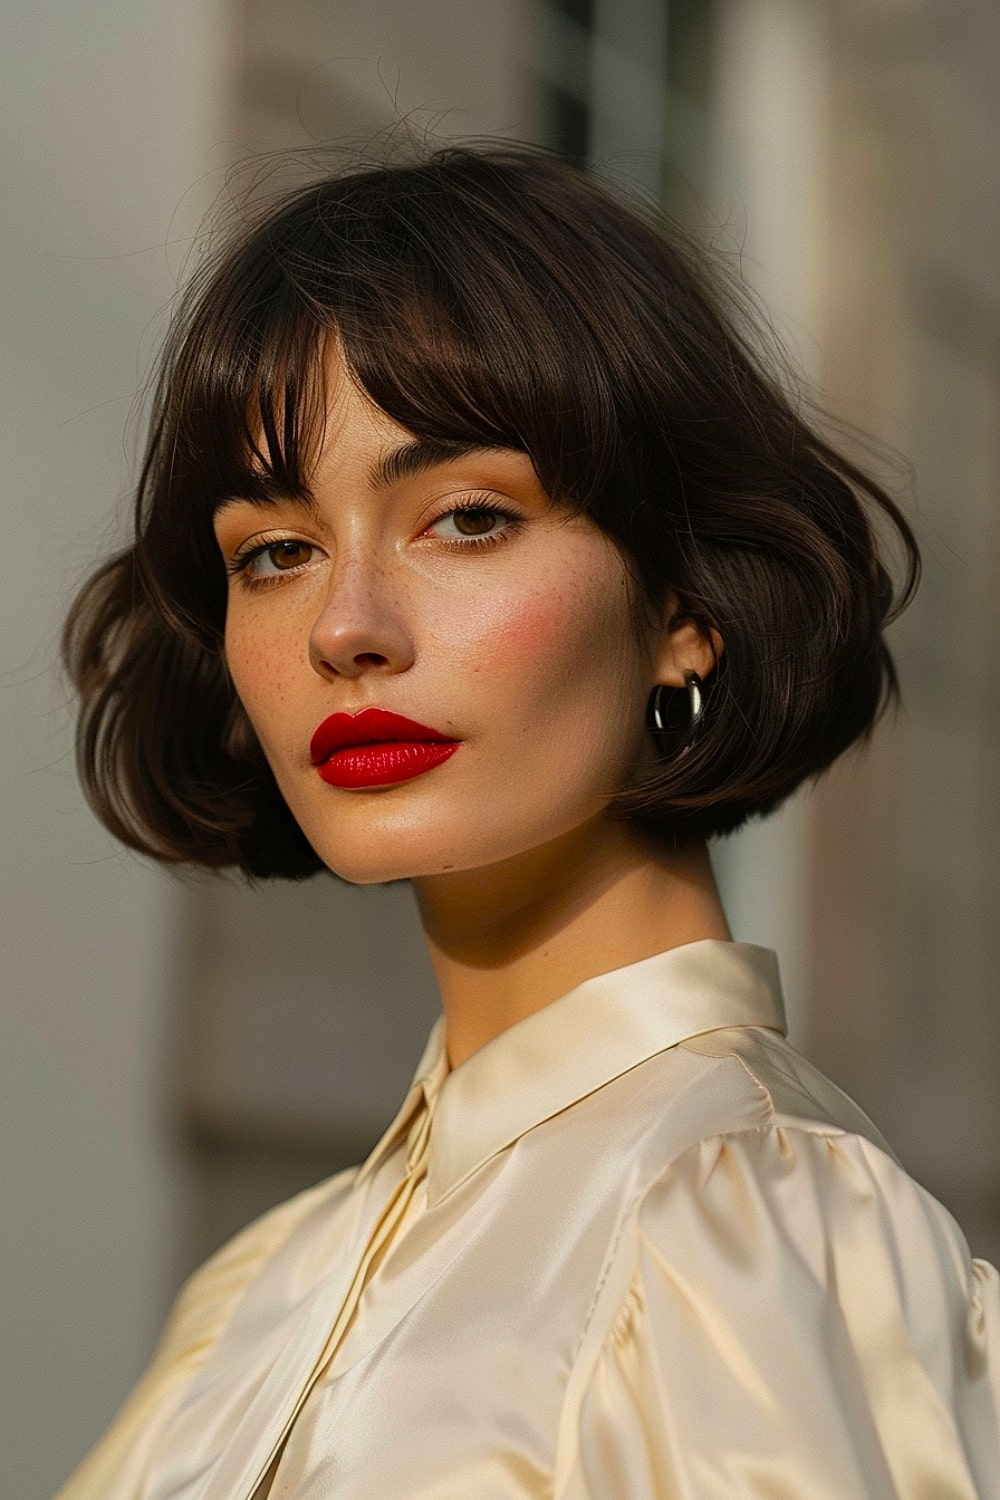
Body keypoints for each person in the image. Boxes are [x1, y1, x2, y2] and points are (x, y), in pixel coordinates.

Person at [55, 142, 999, 1499]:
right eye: (276, 550)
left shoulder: (751, 1228)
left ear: (688, 612)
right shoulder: (263, 1288)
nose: (346, 627)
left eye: (468, 518)